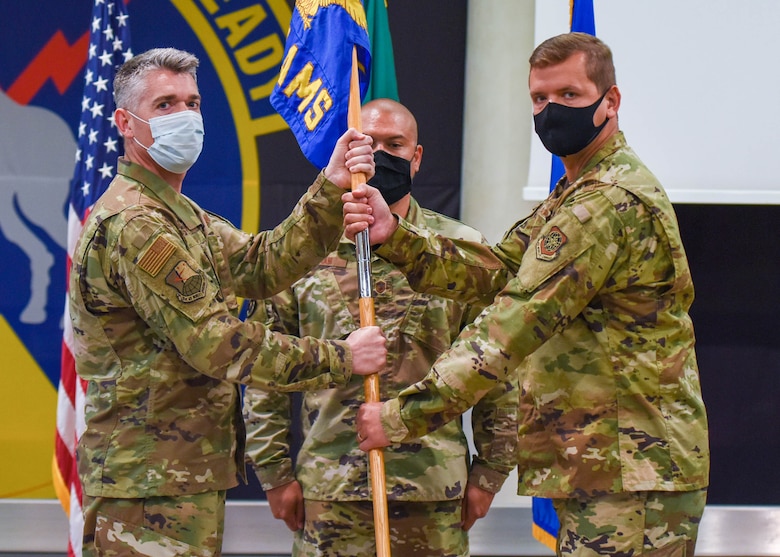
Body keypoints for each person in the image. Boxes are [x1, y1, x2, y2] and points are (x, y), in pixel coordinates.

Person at [345, 33, 710, 556]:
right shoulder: (575, 191)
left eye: (569, 95)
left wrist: (402, 416)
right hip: (607, 466)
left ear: (611, 101)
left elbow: (510, 325)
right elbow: (498, 270)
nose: (550, 110)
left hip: (632, 470)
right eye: (540, 98)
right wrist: (395, 237)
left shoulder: (604, 202)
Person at [69, 47, 386, 557]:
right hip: (148, 482)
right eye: (166, 105)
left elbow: (262, 266)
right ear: (126, 123)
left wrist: (330, 187)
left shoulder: (177, 213)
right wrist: (342, 358)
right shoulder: (136, 224)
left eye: (192, 103)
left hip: (178, 473)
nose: (185, 116)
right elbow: (218, 344)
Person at [243, 98, 518, 557]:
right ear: (351, 152)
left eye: (397, 144)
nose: (383, 156)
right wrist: (274, 474)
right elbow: (265, 371)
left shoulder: (461, 250)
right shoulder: (303, 249)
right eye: (371, 144)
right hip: (330, 490)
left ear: (417, 156)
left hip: (433, 488)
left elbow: (499, 367)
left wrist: (490, 475)